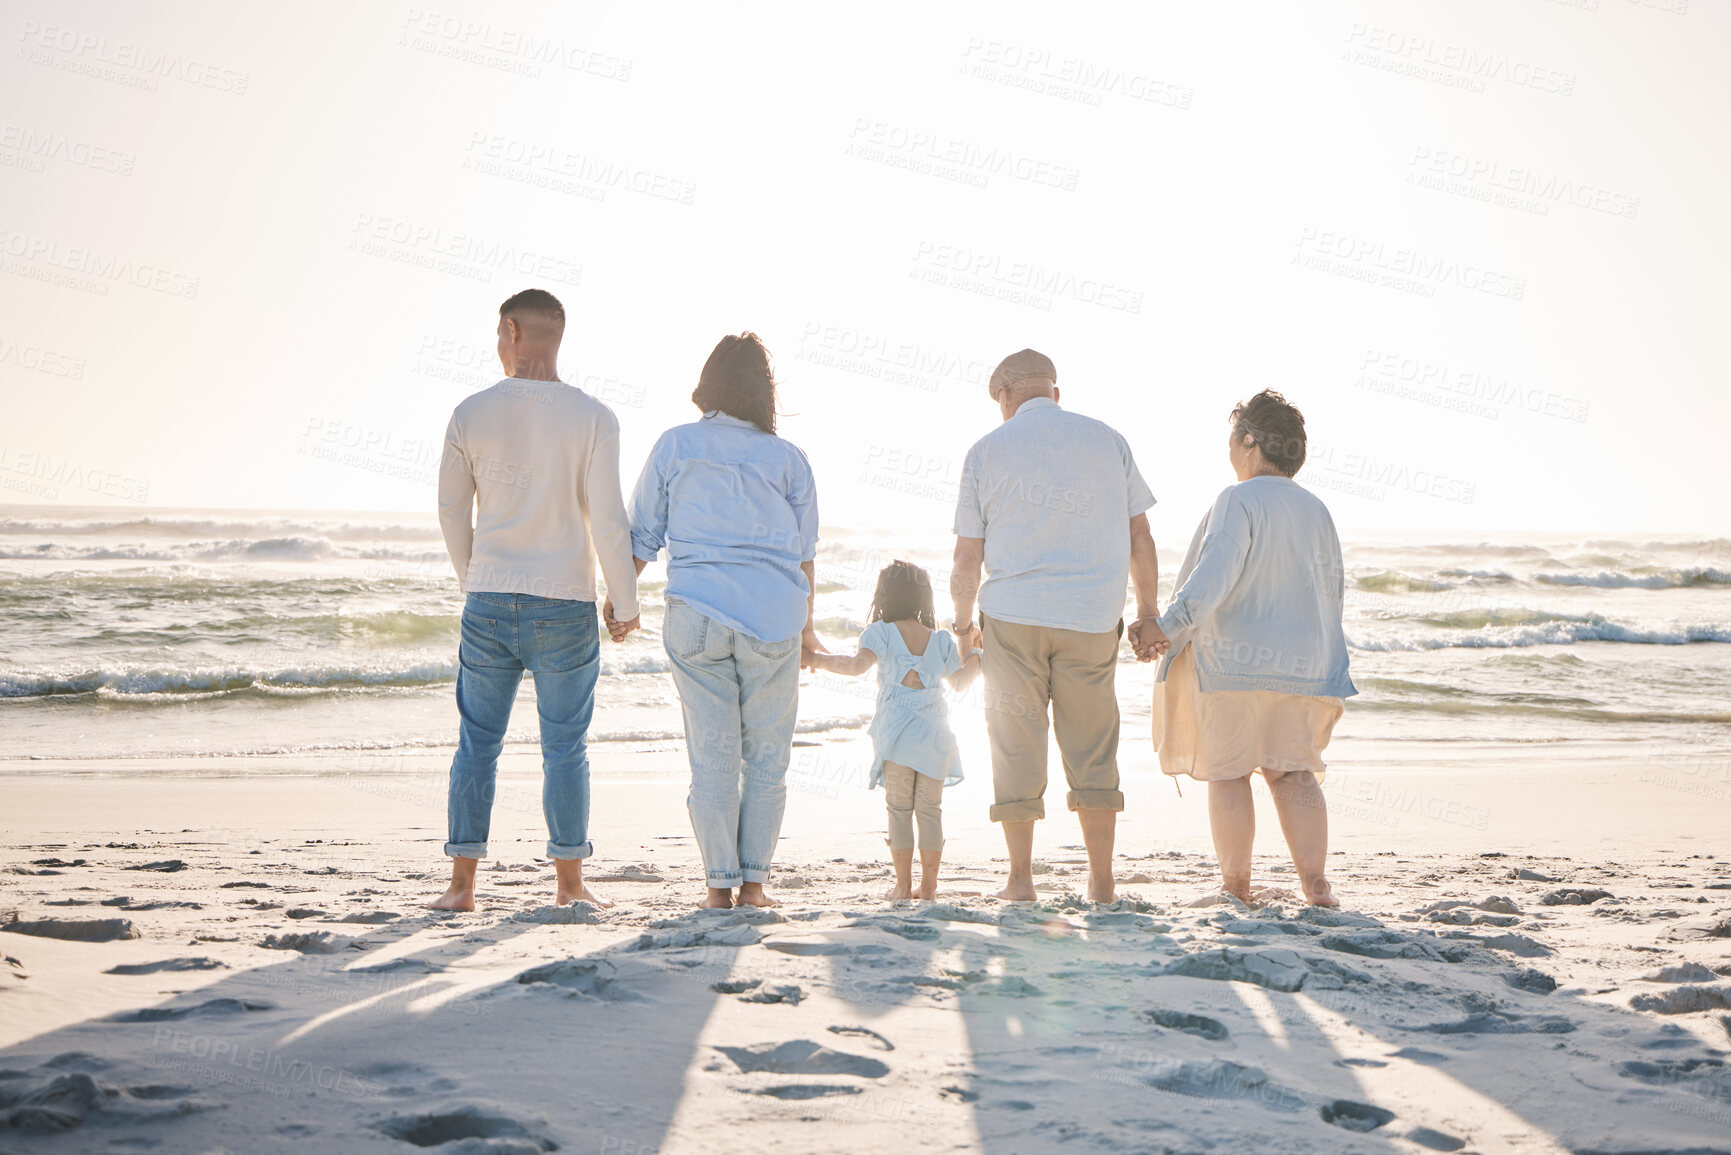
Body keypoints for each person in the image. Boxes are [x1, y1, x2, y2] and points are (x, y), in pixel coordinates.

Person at [430, 288, 641, 913]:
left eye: (499, 335)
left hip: (490, 599)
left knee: (477, 743)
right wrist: (622, 602)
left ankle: (462, 887)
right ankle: (570, 887)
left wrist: (476, 578)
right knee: (565, 747)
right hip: (565, 603)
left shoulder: (470, 412)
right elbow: (608, 519)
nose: (498, 345)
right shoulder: (594, 418)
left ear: (511, 330)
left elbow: (449, 511)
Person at [950, 349, 1160, 904]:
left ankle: (1020, 881)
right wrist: (1148, 613)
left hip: (1013, 618)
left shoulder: (985, 452)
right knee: (1093, 746)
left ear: (1005, 398)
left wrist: (963, 627)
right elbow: (1141, 537)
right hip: (1091, 619)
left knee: (1015, 744)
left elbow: (967, 560)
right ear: (1054, 392)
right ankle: (1102, 882)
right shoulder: (1107, 440)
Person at [1132, 390, 1357, 907]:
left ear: (1250, 442)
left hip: (1234, 663)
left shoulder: (1238, 500)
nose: (1230, 450)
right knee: (1294, 773)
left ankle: (1236, 888)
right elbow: (1330, 592)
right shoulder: (1317, 509)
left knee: (1229, 772)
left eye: (1233, 438)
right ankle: (1316, 886)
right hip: (1305, 665)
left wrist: (1163, 628)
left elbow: (1212, 579)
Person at [623, 332, 821, 910]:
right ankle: (754, 887)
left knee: (711, 758)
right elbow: (804, 555)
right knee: (766, 760)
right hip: (773, 621)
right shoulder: (788, 458)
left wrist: (620, 600)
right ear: (765, 391)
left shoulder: (675, 445)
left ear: (707, 382)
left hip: (697, 615)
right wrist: (808, 632)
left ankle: (718, 889)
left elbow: (641, 533)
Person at [807, 561, 981, 900]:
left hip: (898, 737)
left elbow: (855, 666)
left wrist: (815, 660)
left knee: (900, 811)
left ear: (883, 594)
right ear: (923, 598)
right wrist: (977, 652)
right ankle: (928, 888)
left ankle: (902, 886)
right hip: (936, 736)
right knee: (930, 811)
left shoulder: (880, 633)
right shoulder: (940, 639)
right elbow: (960, 684)